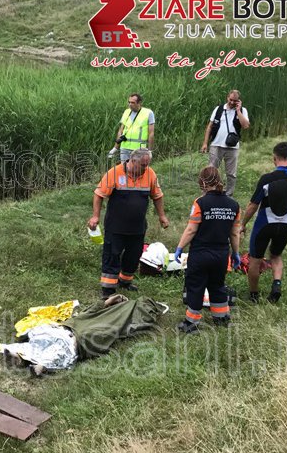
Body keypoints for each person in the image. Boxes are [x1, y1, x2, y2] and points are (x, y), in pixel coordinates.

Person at [88, 148, 169, 299]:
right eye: (143, 165)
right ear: (133, 161)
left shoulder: (150, 174)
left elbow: (157, 196)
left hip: (137, 227)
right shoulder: (114, 173)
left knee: (134, 255)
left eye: (147, 165)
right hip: (116, 226)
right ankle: (108, 289)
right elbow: (99, 194)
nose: (146, 168)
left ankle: (125, 282)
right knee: (112, 255)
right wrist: (95, 216)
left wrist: (162, 216)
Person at [173, 166, 241, 333]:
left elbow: (191, 230)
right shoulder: (234, 205)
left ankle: (191, 323)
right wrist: (236, 253)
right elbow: (234, 233)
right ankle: (221, 318)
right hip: (221, 254)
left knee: (196, 286)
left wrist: (180, 248)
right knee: (217, 285)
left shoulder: (200, 203)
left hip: (201, 253)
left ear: (202, 183)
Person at [240, 142, 287, 304]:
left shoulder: (267, 180)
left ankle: (254, 295)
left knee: (255, 260)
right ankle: (276, 285)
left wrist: (243, 224)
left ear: (274, 159)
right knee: (276, 255)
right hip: (285, 225)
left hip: (264, 225)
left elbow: (252, 206)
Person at [200, 89, 250, 196]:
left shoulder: (242, 110)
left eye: (235, 101)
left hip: (232, 147)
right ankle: (208, 192)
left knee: (231, 173)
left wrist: (238, 111)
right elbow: (210, 126)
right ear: (227, 97)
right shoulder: (218, 109)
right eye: (230, 100)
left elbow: (245, 125)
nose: (232, 102)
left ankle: (228, 194)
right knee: (211, 171)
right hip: (216, 145)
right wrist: (205, 143)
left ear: (238, 101)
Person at [108, 93, 155, 162]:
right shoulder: (126, 112)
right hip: (124, 147)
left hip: (139, 149)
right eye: (129, 102)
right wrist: (115, 148)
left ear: (139, 103)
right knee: (125, 169)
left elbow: (151, 133)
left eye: (133, 102)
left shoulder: (148, 113)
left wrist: (150, 150)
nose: (130, 104)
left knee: (137, 170)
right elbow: (120, 131)